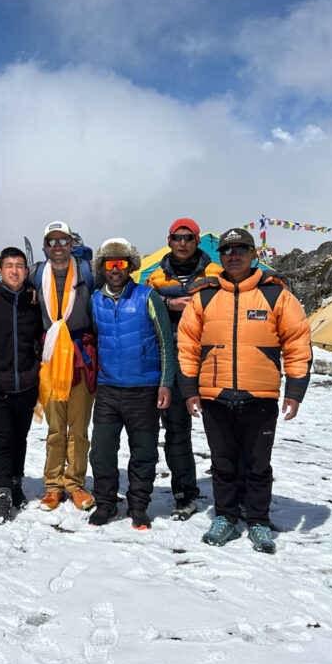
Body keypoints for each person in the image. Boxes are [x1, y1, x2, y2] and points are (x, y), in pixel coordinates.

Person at [178, 227, 312, 554]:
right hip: (215, 395)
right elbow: (187, 345)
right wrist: (190, 389)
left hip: (260, 396)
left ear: (254, 254)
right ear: (220, 257)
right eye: (227, 250)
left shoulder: (276, 294)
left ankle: (258, 521)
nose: (233, 255)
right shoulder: (205, 295)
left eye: (241, 249)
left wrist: (294, 390)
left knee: (257, 465)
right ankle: (225, 517)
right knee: (222, 463)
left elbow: (297, 343)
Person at [87, 238, 176, 529]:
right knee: (101, 452)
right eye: (109, 263)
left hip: (144, 388)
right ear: (102, 267)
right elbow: (92, 339)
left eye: (121, 263)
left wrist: (165, 383)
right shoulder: (95, 300)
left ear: (131, 267)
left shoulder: (147, 296)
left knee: (144, 451)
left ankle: (138, 506)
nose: (115, 269)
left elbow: (165, 342)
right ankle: (106, 504)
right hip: (108, 389)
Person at [144, 218, 218, 521]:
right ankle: (184, 494)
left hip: (211, 361)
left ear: (197, 240)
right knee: (176, 431)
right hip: (172, 362)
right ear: (169, 240)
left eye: (189, 237)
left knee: (222, 432)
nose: (183, 242)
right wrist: (167, 303)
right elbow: (145, 303)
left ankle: (234, 493)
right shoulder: (155, 277)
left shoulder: (216, 274)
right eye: (177, 237)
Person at [31, 221, 97, 513]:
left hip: (81, 356)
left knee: (78, 428)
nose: (57, 247)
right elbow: (9, 284)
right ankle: (53, 485)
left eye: (62, 241)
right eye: (52, 242)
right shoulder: (36, 273)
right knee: (56, 428)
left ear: (72, 244)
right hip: (51, 358)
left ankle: (76, 483)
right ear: (45, 246)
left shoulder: (88, 271)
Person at [0, 247, 44, 524]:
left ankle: (16, 484)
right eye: (9, 266)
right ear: (0, 271)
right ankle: (2, 492)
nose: (14, 270)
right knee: (1, 440)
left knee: (20, 438)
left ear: (26, 272)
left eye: (19, 266)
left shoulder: (34, 302)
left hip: (27, 384)